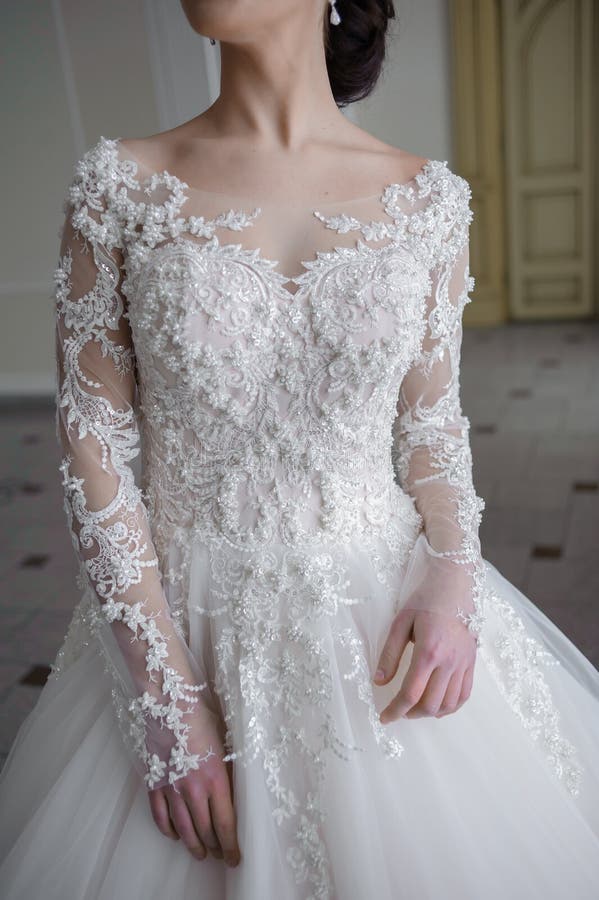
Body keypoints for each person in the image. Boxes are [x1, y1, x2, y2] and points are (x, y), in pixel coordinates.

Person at [1, 1, 599, 897]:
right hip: (183, 619)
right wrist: (165, 702)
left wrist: (451, 580)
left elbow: (430, 421)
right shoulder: (118, 187)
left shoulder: (427, 200)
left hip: (380, 613)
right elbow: (92, 442)